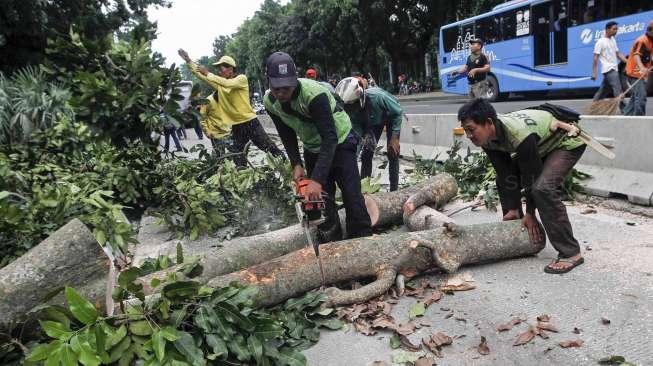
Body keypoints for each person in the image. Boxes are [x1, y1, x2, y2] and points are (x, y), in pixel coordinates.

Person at [456, 98, 587, 274]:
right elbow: (505, 172)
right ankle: (517, 225)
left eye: (471, 130)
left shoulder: (518, 134)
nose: (469, 136)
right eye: (466, 131)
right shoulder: (487, 139)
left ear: (488, 123)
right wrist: (512, 208)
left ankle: (571, 253)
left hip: (565, 143)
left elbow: (531, 177)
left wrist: (530, 213)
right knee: (503, 180)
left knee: (543, 188)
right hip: (540, 146)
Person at [263, 52, 372, 242]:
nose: (281, 94)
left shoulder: (314, 95)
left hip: (339, 141)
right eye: (276, 89)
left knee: (352, 196)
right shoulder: (270, 102)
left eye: (286, 89)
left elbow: (329, 138)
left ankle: (362, 241)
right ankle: (332, 243)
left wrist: (316, 179)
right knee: (321, 202)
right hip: (313, 147)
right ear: (269, 82)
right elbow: (286, 133)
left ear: (295, 80)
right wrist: (296, 163)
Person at [178, 49, 284, 164]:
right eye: (218, 69)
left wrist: (208, 73)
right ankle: (241, 174)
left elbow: (228, 83)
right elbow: (201, 75)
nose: (219, 71)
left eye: (221, 68)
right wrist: (189, 61)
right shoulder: (220, 86)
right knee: (238, 154)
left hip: (250, 122)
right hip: (236, 126)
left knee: (267, 146)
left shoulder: (241, 79)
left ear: (230, 68)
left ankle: (289, 165)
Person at [336, 77, 403, 191]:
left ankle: (394, 190)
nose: (349, 109)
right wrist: (352, 155)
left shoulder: (378, 97)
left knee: (393, 152)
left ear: (359, 98)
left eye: (351, 105)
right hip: (371, 124)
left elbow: (397, 112)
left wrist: (395, 137)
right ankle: (364, 188)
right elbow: (357, 133)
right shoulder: (352, 112)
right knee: (366, 154)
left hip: (390, 117)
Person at [591, 21, 628, 104]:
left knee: (602, 92)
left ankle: (593, 107)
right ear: (607, 29)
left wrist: (628, 62)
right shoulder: (600, 42)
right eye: (614, 29)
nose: (616, 31)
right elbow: (595, 58)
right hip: (609, 69)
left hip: (613, 69)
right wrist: (594, 73)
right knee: (618, 90)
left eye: (617, 29)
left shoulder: (612, 40)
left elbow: (618, 54)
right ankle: (625, 111)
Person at [623, 21, 653, 116]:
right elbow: (636, 55)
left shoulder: (651, 41)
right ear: (650, 30)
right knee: (641, 97)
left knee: (635, 96)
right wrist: (642, 68)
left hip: (640, 73)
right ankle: (640, 120)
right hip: (634, 72)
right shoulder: (642, 40)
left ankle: (626, 115)